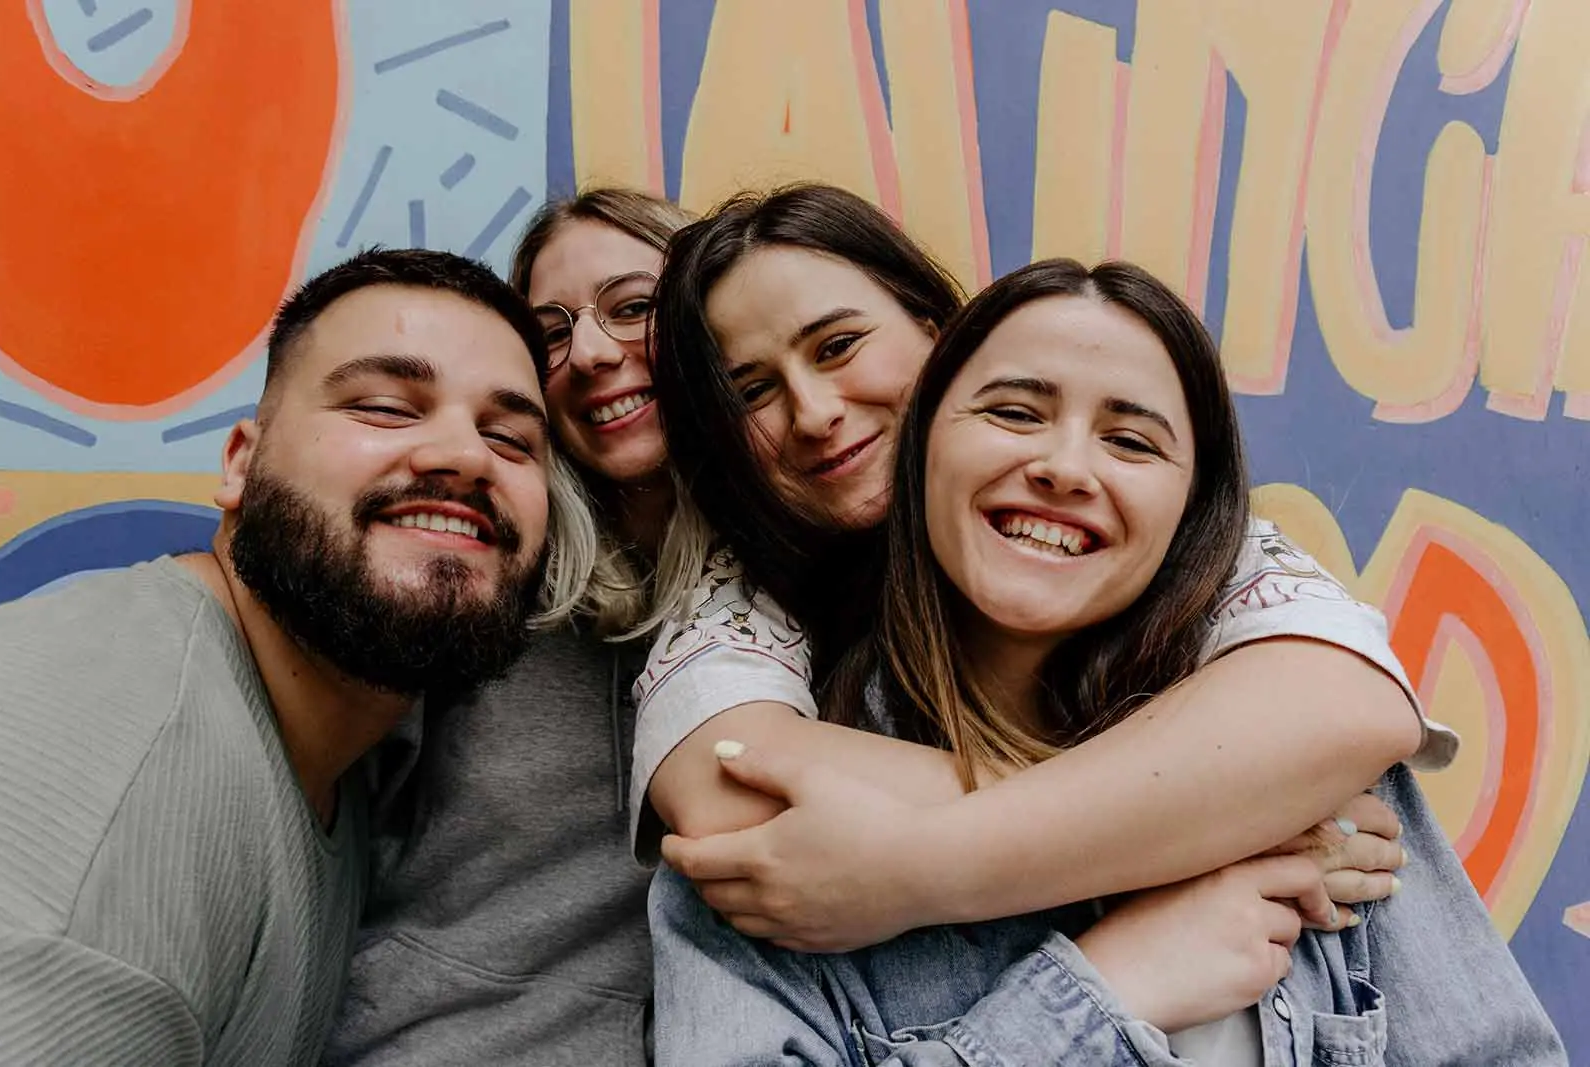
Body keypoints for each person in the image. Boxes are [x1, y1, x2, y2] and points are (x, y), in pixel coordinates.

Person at [648, 258, 1566, 1064]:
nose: (1064, 466)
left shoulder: (1313, 786)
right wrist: (1107, 990)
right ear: (924, 442)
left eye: (1131, 440)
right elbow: (722, 772)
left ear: (1192, 513)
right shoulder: (779, 856)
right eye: (1014, 412)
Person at [635, 183, 1456, 958]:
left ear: (938, 334)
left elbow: (1349, 707)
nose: (813, 412)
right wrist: (1214, 820)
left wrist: (922, 858)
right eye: (752, 392)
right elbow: (731, 794)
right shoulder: (741, 589)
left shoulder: (1171, 534)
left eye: (840, 345)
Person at [0, 248, 591, 1066]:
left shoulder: (325, 753)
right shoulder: (120, 819)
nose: (466, 455)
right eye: (384, 407)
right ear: (241, 461)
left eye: (511, 438)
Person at [326, 189, 704, 1066]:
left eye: (634, 307)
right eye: (554, 332)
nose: (595, 353)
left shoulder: (804, 590)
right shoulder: (479, 576)